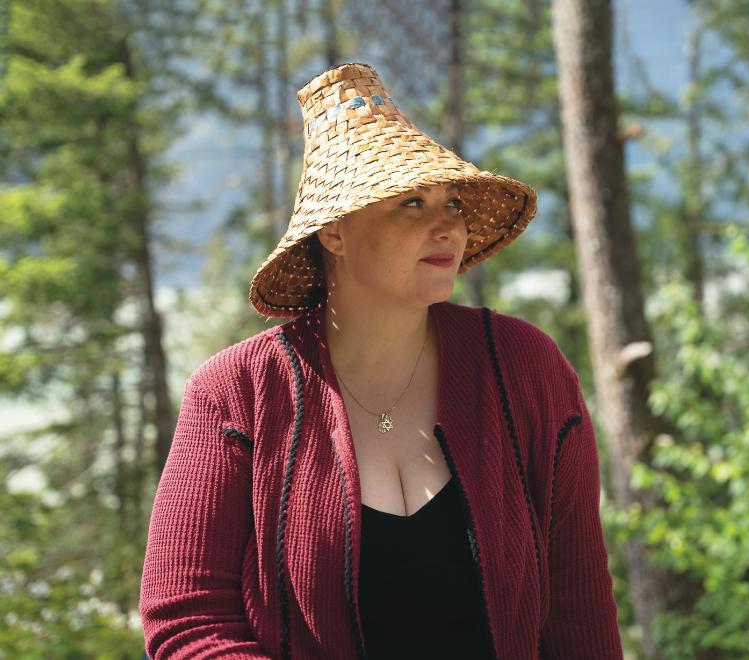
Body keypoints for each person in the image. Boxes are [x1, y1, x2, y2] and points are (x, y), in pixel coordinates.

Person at [139, 61, 623, 660]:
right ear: (335, 233)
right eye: (413, 203)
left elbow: (580, 619)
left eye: (452, 202)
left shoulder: (527, 368)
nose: (449, 224)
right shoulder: (238, 392)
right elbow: (187, 621)